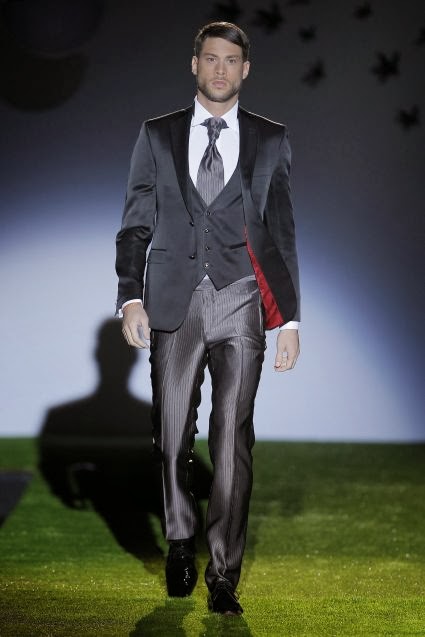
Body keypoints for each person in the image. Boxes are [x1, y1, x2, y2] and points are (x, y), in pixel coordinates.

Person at [116, 21, 300, 616]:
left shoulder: (270, 139)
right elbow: (135, 224)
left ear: (246, 70)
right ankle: (179, 540)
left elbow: (282, 233)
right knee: (172, 433)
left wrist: (290, 321)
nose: (221, 69)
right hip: (174, 300)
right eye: (211, 58)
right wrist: (130, 296)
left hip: (242, 297)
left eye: (231, 60)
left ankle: (223, 573)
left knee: (232, 436)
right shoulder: (157, 134)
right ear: (195, 64)